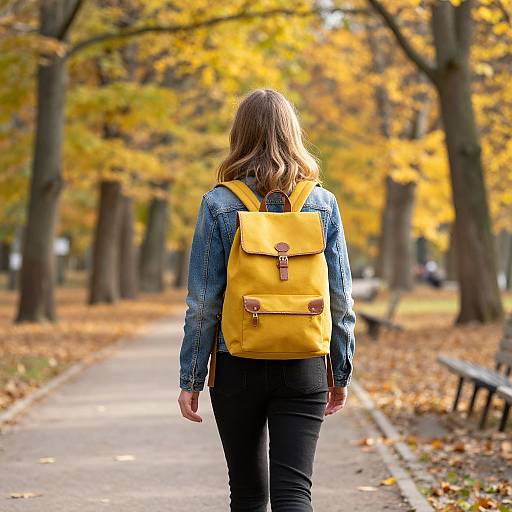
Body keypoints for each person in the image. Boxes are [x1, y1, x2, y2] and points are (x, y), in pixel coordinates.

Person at [178, 89, 356, 511]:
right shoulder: (322, 203)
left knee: (247, 493)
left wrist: (191, 379)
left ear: (239, 135)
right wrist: (341, 371)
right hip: (305, 361)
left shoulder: (219, 204)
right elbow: (341, 299)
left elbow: (203, 304)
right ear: (293, 134)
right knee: (295, 493)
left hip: (237, 362)